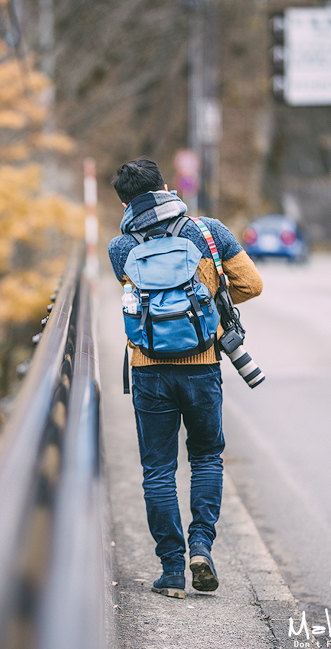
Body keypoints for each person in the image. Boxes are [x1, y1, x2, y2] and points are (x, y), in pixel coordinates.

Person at [108, 157, 263, 599]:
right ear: (167, 187)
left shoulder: (120, 246)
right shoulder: (208, 231)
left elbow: (137, 301)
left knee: (158, 469)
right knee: (207, 458)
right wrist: (210, 304)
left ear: (124, 201)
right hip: (202, 364)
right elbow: (251, 284)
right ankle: (201, 547)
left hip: (148, 369)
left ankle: (172, 570)